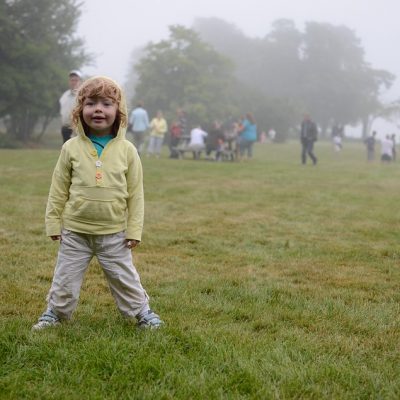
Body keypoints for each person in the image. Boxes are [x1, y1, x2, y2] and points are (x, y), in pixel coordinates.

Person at [32, 76, 163, 331]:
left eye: (106, 103)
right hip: (75, 232)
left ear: (119, 111)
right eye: (91, 103)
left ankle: (142, 313)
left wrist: (134, 230)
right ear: (80, 110)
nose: (99, 109)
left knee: (125, 279)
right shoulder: (70, 148)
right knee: (65, 278)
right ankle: (56, 313)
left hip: (114, 234)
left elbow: (136, 195)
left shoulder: (128, 150)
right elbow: (58, 188)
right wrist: (53, 222)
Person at [59, 70, 82, 143]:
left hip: (77, 128)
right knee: (66, 150)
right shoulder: (64, 95)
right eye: (72, 80)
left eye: (76, 80)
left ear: (80, 81)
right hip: (65, 128)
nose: (73, 82)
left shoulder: (82, 95)